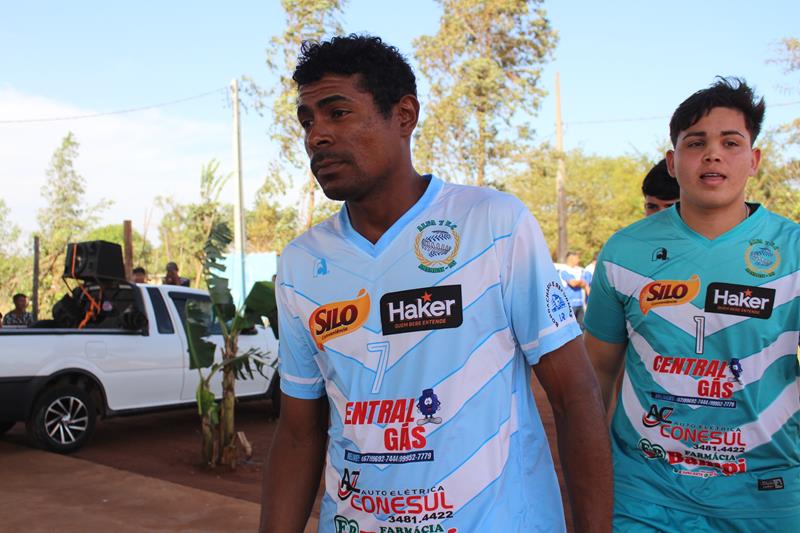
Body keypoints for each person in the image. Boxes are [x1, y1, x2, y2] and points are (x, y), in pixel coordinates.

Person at [260, 35, 611, 533]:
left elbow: (575, 394)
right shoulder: (301, 263)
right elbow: (298, 435)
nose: (315, 136)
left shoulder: (493, 224)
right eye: (307, 120)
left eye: (336, 113)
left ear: (404, 116)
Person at [584, 77, 800, 531]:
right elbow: (598, 369)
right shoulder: (623, 252)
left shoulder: (793, 252)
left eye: (730, 142)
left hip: (765, 495)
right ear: (673, 160)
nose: (713, 153)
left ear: (754, 160)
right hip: (645, 494)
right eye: (696, 142)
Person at [560, 251, 589, 328]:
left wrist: (579, 282)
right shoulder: (564, 270)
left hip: (580, 304)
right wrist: (580, 282)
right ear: (571, 258)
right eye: (577, 258)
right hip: (570, 305)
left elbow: (584, 283)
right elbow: (573, 283)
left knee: (582, 328)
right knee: (570, 328)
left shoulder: (579, 270)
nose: (579, 260)